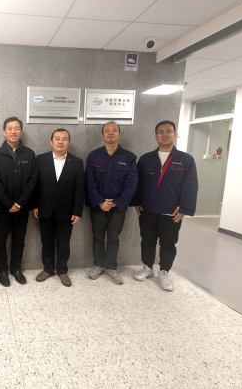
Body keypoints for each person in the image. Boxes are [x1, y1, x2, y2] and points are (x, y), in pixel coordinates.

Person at [131, 120, 198, 291]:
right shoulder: (146, 159)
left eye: (169, 131)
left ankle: (164, 272)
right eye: (161, 132)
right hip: (147, 209)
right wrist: (137, 201)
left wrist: (184, 208)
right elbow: (137, 183)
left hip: (171, 211)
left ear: (175, 134)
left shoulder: (186, 159)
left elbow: (191, 185)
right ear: (155, 136)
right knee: (147, 240)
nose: (165, 134)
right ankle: (147, 268)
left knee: (168, 243)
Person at [85, 122, 138, 285]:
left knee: (114, 237)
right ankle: (98, 265)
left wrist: (116, 202)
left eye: (114, 130)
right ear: (102, 135)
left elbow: (131, 184)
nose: (110, 133)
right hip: (98, 205)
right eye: (107, 131)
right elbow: (89, 182)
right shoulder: (93, 156)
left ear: (119, 134)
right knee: (98, 236)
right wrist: (100, 201)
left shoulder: (129, 157)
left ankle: (111, 267)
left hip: (118, 206)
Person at [32, 129, 85, 287]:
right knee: (46, 242)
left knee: (64, 243)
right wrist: (35, 205)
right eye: (57, 138)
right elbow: (35, 184)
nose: (60, 141)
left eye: (64, 139)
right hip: (44, 208)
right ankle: (48, 269)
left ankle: (62, 270)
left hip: (67, 211)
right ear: (51, 142)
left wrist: (77, 211)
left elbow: (80, 189)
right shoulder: (40, 159)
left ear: (68, 143)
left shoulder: (77, 162)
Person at [0, 117, 37, 287]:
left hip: (22, 208)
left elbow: (32, 181)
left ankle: (16, 269)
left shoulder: (29, 154)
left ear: (21, 131)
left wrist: (20, 203)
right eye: (9, 128)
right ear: (4, 132)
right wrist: (8, 203)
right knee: (0, 241)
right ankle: (2, 270)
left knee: (19, 240)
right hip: (2, 208)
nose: (13, 131)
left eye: (16, 128)